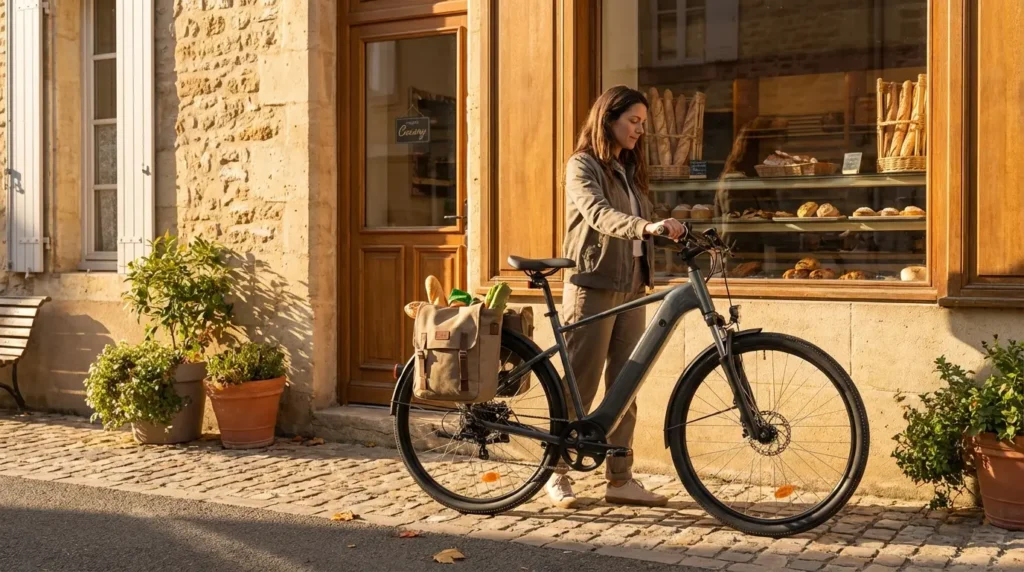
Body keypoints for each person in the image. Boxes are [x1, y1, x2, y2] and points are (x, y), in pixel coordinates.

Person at [546, 86, 687, 508]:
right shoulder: (582, 165)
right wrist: (645, 227)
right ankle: (555, 472)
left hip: (631, 286)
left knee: (626, 386)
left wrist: (672, 228)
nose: (640, 130)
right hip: (592, 284)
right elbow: (598, 214)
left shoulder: (628, 169)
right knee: (580, 384)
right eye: (634, 121)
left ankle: (619, 479)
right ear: (609, 118)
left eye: (643, 123)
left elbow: (642, 218)